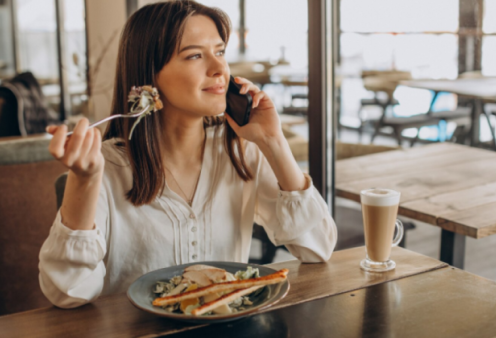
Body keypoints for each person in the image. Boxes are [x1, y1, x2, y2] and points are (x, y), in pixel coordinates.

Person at [39, 0, 337, 308]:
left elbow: (318, 247)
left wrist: (274, 141)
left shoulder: (241, 150)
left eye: (220, 52)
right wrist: (84, 179)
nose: (219, 68)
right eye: (195, 55)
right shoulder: (107, 167)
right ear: (149, 76)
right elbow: (68, 293)